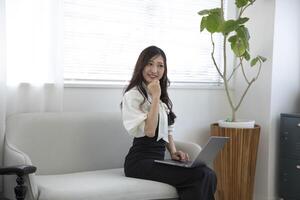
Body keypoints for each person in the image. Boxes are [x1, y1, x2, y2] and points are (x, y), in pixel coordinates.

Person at [121, 45, 217, 200]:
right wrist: (155, 97)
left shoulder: (161, 99)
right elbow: (150, 131)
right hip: (139, 163)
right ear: (141, 66)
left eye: (160, 66)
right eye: (150, 64)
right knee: (200, 175)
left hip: (158, 159)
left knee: (208, 173)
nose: (155, 70)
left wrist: (173, 152)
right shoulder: (133, 95)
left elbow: (168, 131)